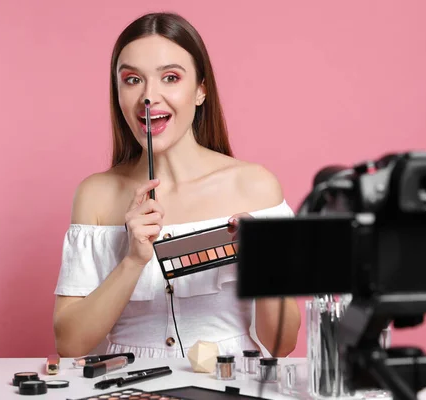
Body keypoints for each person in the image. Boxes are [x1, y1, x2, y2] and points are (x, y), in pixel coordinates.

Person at [52, 12, 301, 359]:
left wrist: (261, 263)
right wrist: (133, 261)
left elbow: (281, 345)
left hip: (230, 382)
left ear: (201, 90)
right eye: (132, 80)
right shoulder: (95, 195)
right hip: (126, 387)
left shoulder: (256, 187)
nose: (148, 97)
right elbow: (69, 343)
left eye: (170, 77)